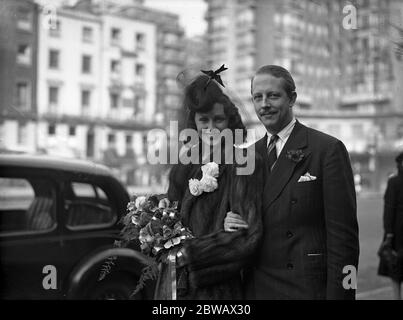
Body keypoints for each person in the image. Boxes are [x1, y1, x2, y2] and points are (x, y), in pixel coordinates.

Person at [224, 65, 360, 299]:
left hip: (305, 289)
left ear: (292, 99)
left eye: (273, 95)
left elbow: (345, 241)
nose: (264, 104)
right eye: (258, 97)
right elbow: (241, 219)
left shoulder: (327, 150)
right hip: (256, 289)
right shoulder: (245, 158)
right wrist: (228, 222)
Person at [155, 72, 264, 300]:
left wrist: (191, 254)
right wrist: (157, 213)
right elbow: (172, 214)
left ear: (230, 121)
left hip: (215, 291)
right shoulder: (185, 163)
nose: (211, 127)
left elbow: (247, 237)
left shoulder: (242, 162)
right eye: (204, 120)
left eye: (218, 120)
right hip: (173, 285)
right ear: (193, 122)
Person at [378, 152, 403, 300]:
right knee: (396, 267)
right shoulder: (394, 182)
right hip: (397, 231)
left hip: (396, 232)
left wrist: (389, 233)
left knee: (395, 268)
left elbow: (389, 208)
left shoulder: (394, 182)